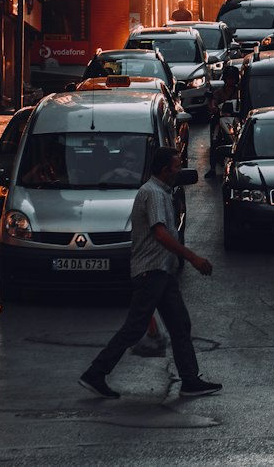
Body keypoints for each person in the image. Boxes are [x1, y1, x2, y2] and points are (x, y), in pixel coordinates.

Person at [79, 147, 221, 400]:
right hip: (151, 272)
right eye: (177, 166)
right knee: (134, 329)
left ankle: (189, 380)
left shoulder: (160, 192)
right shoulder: (154, 194)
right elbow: (161, 233)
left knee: (179, 324)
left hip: (161, 272)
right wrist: (192, 258)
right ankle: (95, 373)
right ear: (165, 169)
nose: (179, 170)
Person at [205, 64, 240, 178]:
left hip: (237, 119)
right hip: (220, 120)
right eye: (229, 78)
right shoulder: (219, 92)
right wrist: (214, 108)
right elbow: (213, 103)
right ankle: (212, 168)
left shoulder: (240, 92)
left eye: (233, 78)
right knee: (215, 141)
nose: (231, 80)